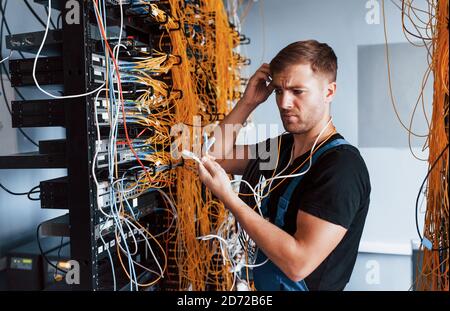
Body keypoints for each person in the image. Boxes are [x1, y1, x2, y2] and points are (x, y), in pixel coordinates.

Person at [197, 40, 371, 291]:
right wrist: (248, 103)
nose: (283, 103)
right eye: (279, 90)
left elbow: (298, 264)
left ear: (329, 92)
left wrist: (229, 198)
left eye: (297, 91)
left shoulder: (342, 167)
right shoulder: (281, 149)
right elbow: (214, 157)